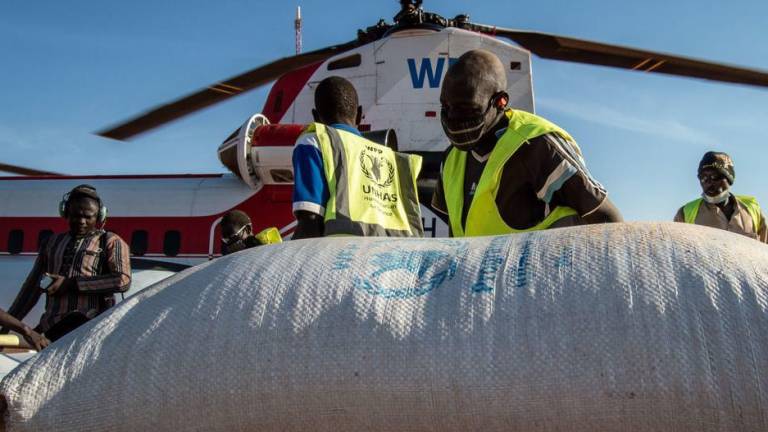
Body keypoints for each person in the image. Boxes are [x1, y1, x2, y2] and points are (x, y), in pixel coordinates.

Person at [431, 49, 622, 237]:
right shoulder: (450, 161)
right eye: (446, 107)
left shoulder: (537, 145)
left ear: (500, 102)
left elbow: (606, 217)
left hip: (547, 265)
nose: (453, 117)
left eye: (467, 108)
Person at [291, 76, 423, 238]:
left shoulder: (314, 141)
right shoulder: (393, 159)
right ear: (360, 114)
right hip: (393, 259)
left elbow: (310, 221)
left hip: (340, 258)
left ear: (316, 117)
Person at [5, 185, 131, 342]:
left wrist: (71, 284)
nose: (82, 221)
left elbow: (123, 280)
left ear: (99, 217)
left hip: (91, 326)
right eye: (76, 216)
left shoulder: (111, 242)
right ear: (65, 213)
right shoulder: (51, 242)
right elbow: (31, 288)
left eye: (88, 217)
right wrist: (8, 324)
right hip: (53, 327)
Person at [674, 151, 767, 242]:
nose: (708, 181)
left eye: (714, 176)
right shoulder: (685, 213)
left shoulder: (752, 209)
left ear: (728, 178)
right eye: (703, 177)